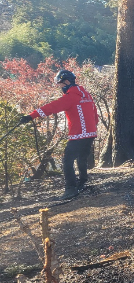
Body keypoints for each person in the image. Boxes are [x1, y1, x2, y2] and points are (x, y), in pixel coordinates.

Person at [19, 70, 99, 200]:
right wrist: (94, 126)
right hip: (91, 133)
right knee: (82, 158)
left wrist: (31, 116)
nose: (60, 87)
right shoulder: (86, 94)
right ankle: (82, 182)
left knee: (67, 161)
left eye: (60, 84)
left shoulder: (71, 96)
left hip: (78, 134)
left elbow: (52, 107)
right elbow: (95, 113)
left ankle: (70, 189)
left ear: (67, 82)